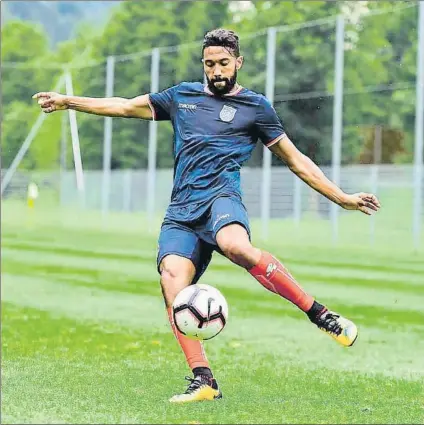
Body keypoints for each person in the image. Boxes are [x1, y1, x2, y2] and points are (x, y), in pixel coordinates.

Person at [33, 28, 381, 404]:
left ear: (238, 63)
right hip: (181, 211)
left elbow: (297, 161)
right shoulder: (180, 97)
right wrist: (69, 101)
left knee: (236, 246)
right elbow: (122, 105)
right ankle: (204, 380)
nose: (216, 71)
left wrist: (342, 197)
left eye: (223, 64)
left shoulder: (256, 107)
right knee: (172, 278)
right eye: (209, 64)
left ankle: (320, 315)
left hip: (221, 199)